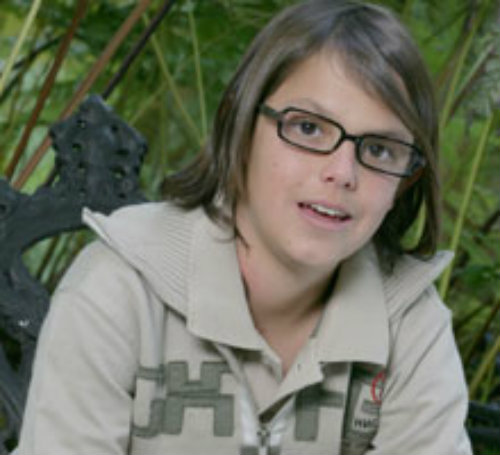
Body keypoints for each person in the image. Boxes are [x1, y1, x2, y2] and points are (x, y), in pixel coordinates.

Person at [15, 1, 473, 454]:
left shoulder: (410, 324)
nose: (342, 172)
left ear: (405, 181)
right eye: (308, 128)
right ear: (242, 124)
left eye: (378, 150)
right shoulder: (117, 290)